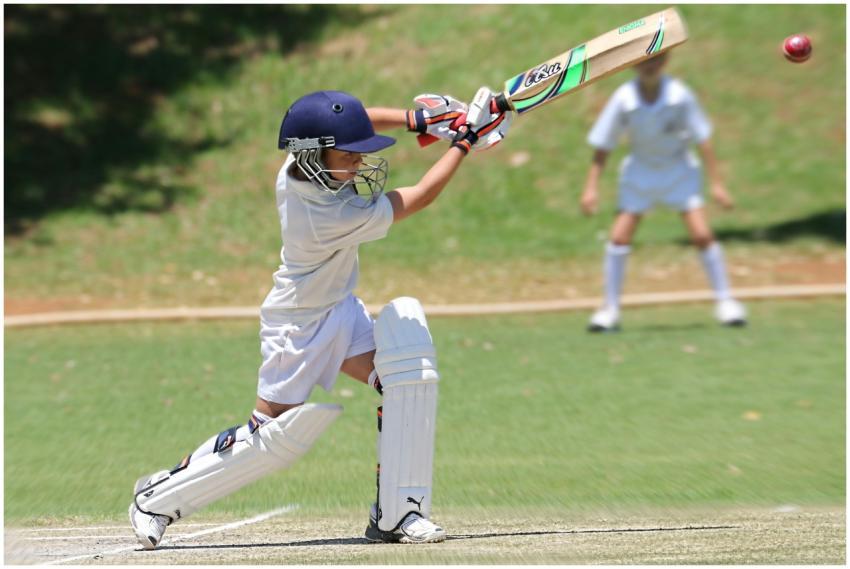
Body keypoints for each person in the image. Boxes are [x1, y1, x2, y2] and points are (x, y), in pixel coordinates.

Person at [128, 90, 510, 548]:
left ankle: (398, 514)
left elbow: (356, 119)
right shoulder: (328, 212)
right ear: (313, 155)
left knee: (407, 379)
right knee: (269, 438)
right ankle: (155, 499)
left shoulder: (302, 164)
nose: (357, 165)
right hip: (297, 326)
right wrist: (463, 141)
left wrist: (421, 120)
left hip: (340, 308)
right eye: (348, 157)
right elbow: (421, 196)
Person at [580, 52, 746, 332]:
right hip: (640, 172)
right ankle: (609, 310)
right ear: (633, 64)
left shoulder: (680, 95)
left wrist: (717, 184)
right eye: (644, 61)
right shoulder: (624, 99)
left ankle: (726, 302)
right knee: (618, 238)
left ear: (665, 62)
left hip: (678, 169)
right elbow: (604, 144)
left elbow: (703, 139)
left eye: (656, 60)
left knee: (702, 235)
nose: (649, 66)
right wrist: (591, 186)